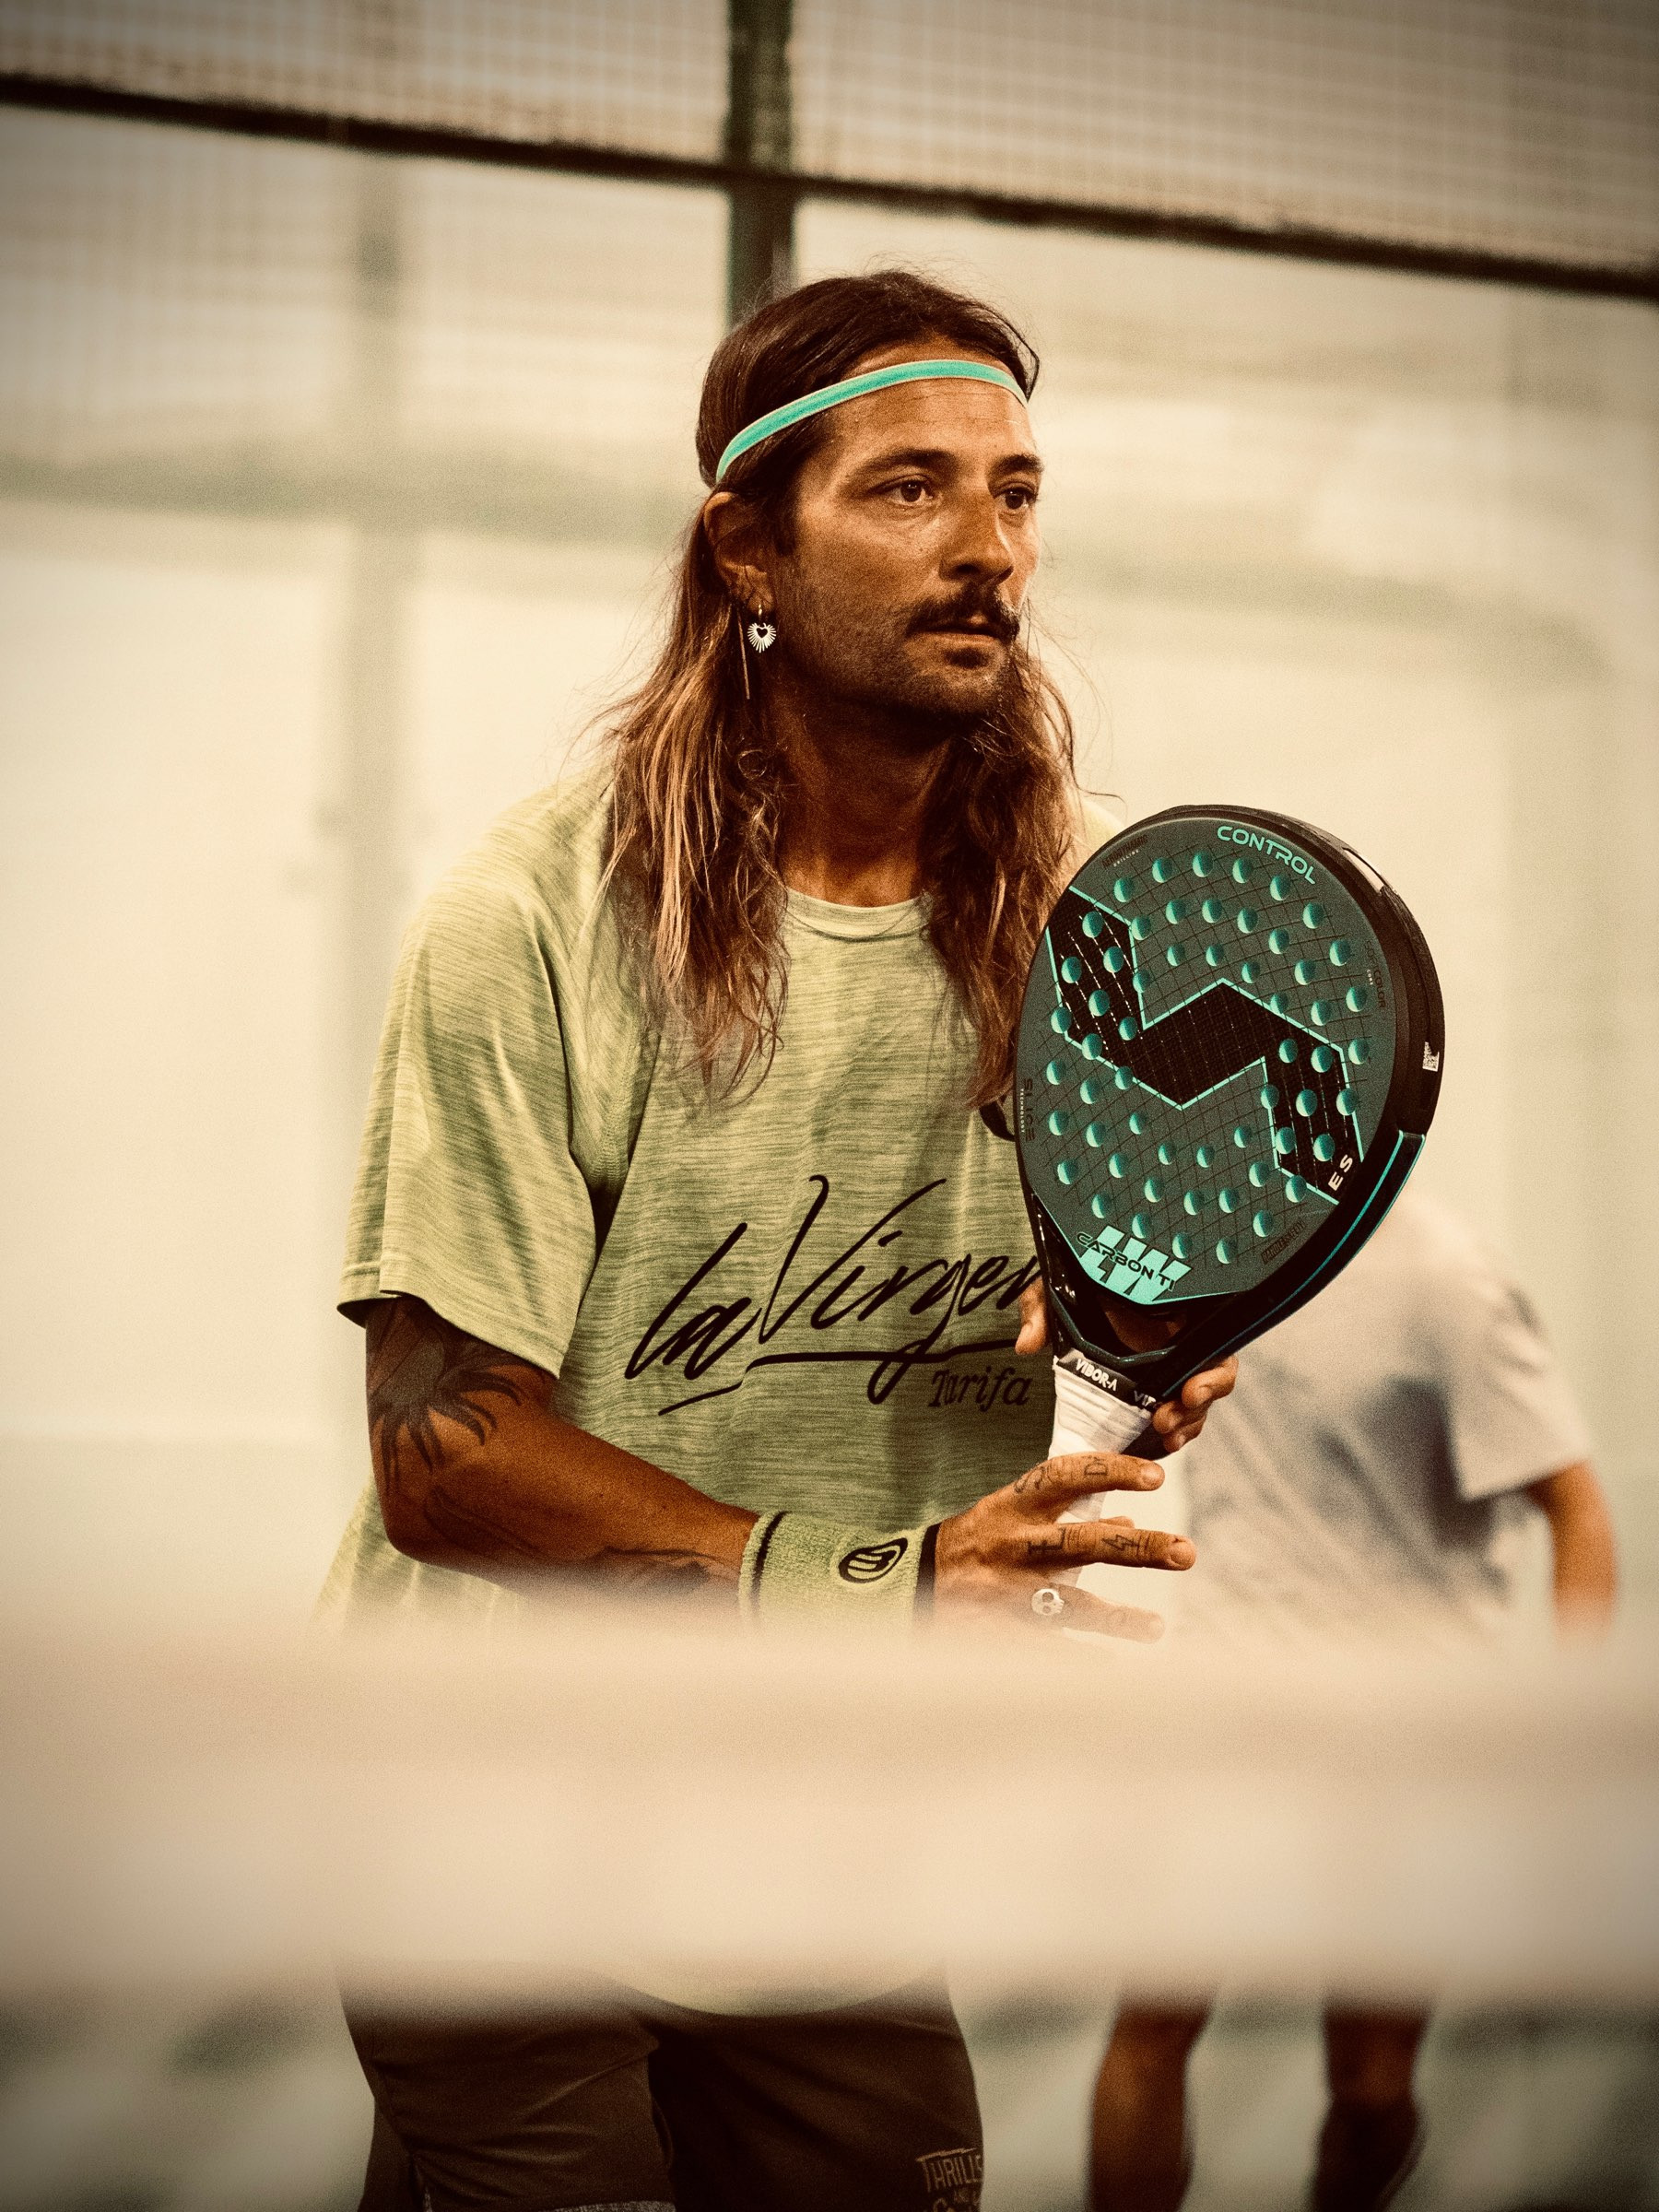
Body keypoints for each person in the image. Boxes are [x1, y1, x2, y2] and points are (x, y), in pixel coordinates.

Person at [317, 270, 1237, 2212]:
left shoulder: (1088, 939)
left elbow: (1103, 1341)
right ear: (746, 546)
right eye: (909, 488)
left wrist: (1143, 1355)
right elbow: (440, 1455)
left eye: (1016, 491)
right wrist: (880, 1587)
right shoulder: (531, 921)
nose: (988, 548)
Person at [1087, 1184, 1618, 2212]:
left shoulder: (1447, 1280)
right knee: (1151, 2024)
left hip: (1408, 1737)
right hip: (1231, 1706)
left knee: (1371, 2089)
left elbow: (1578, 1511)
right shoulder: (1211, 1248)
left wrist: (1571, 1741)